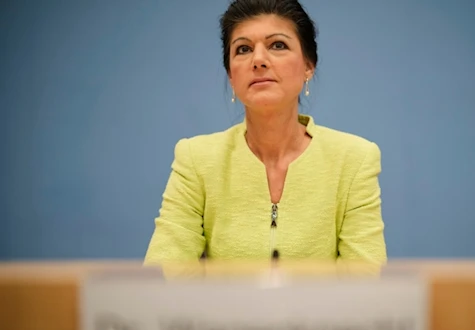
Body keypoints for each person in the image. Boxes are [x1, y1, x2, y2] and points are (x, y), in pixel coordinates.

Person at [144, 0, 387, 266]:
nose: (258, 60)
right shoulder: (196, 160)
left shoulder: (354, 160)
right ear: (231, 76)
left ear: (308, 65)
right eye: (243, 49)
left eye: (278, 45)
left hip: (321, 310)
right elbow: (162, 278)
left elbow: (364, 288)